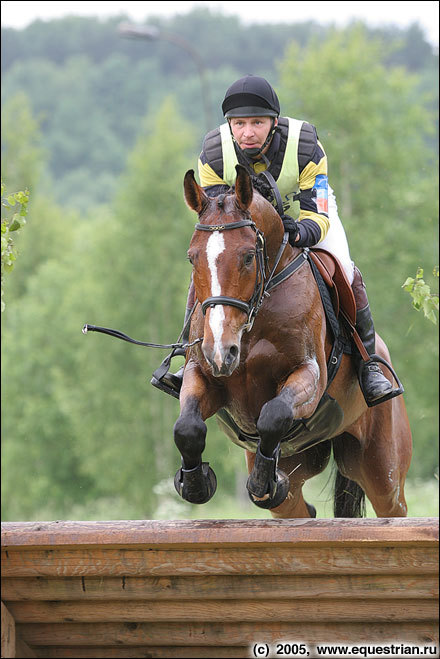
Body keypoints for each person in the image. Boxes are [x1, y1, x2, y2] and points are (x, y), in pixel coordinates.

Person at [152, 74, 396, 406]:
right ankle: (187, 354)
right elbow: (217, 216)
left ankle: (370, 366)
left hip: (306, 213)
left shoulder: (306, 144)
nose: (247, 132)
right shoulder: (214, 153)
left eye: (257, 122)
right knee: (211, 271)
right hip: (241, 223)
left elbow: (318, 209)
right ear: (230, 125)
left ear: (274, 122)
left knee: (346, 269)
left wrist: (301, 232)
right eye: (239, 124)